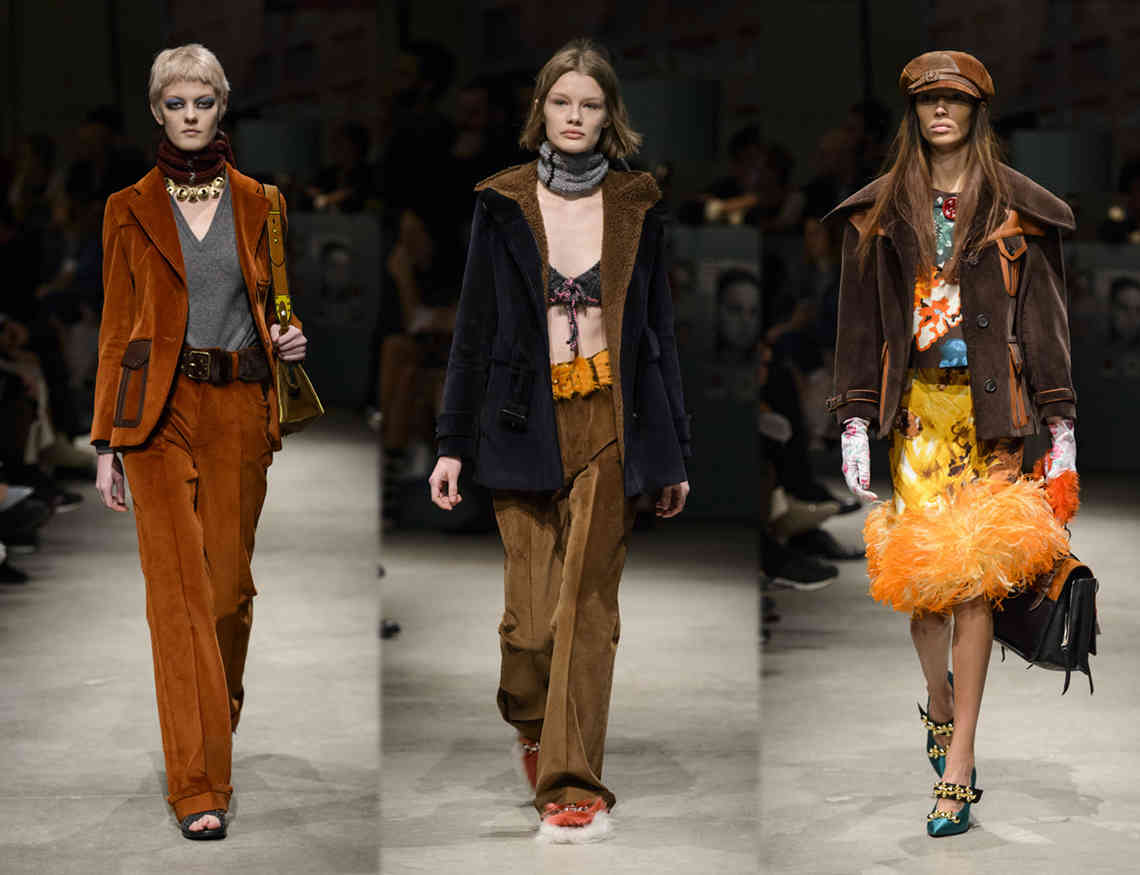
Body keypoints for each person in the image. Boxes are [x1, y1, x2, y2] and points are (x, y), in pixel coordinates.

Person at [428, 38, 691, 843]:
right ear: (540, 109)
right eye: (561, 102)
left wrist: (673, 450)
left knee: (586, 608)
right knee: (531, 628)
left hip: (611, 421)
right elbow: (472, 329)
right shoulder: (501, 202)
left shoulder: (638, 203)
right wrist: (451, 440)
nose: (574, 117)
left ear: (610, 116)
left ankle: (574, 784)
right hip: (521, 421)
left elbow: (657, 334)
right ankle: (533, 719)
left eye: (590, 104)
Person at [825, 51, 1077, 838]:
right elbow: (859, 325)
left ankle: (958, 762)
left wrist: (1061, 424)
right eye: (928, 99)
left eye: (954, 99)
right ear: (913, 112)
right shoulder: (878, 212)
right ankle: (938, 698)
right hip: (919, 420)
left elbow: (1044, 320)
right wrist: (855, 418)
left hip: (992, 416)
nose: (940, 110)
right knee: (927, 593)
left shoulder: (1016, 210)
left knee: (974, 586)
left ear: (976, 111)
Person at [91, 44, 308, 841]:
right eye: (176, 103)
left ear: (222, 108)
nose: (190, 116)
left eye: (203, 102)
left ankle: (218, 715)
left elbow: (275, 302)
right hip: (157, 413)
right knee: (176, 599)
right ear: (157, 111)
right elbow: (117, 326)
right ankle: (196, 783)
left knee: (226, 596)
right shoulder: (127, 207)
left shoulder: (262, 202)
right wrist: (107, 439)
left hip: (239, 406)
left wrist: (290, 335)